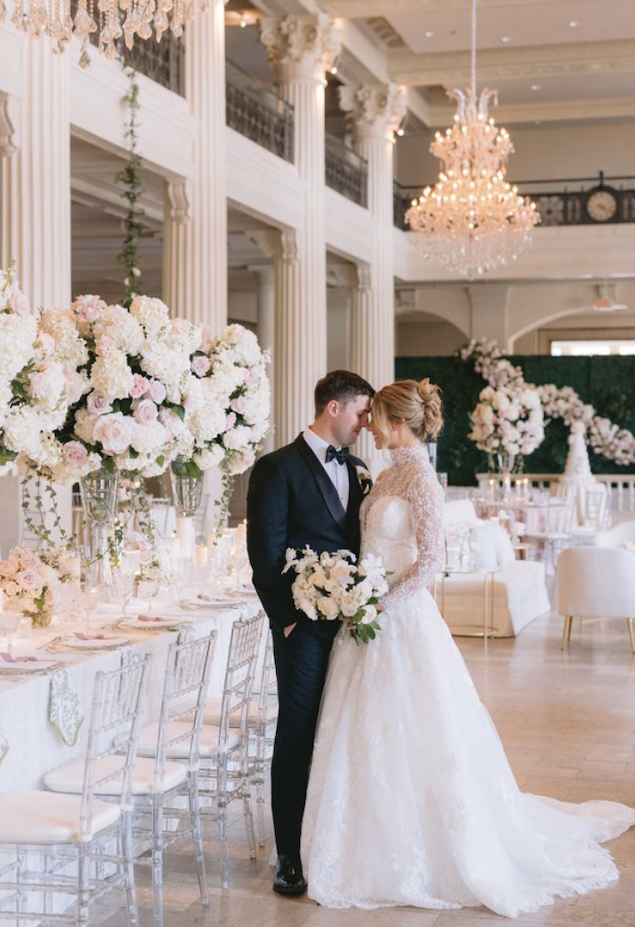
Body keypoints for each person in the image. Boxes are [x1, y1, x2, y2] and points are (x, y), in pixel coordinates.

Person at [300, 378, 635, 918]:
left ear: (396, 421)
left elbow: (430, 561)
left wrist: (376, 604)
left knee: (416, 731)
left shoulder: (421, 481)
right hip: (364, 623)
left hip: (397, 620)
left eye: (376, 417)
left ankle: (424, 848)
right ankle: (360, 838)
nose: (368, 426)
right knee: (363, 733)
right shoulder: (384, 473)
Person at [246, 369, 374, 896]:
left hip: (351, 628)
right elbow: (264, 554)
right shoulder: (275, 469)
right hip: (302, 628)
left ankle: (333, 841)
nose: (367, 423)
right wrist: (289, 619)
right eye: (362, 412)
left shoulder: (361, 469)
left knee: (342, 732)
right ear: (335, 409)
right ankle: (289, 855)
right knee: (297, 734)